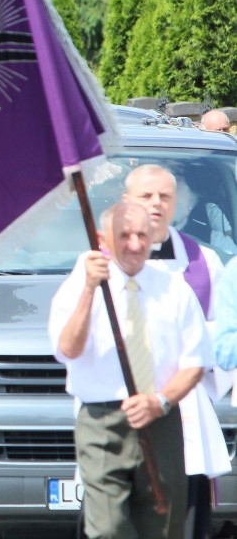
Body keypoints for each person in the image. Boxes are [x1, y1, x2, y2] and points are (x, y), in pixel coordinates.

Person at [49, 201, 212, 539]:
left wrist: (161, 401)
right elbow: (68, 349)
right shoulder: (80, 286)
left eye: (142, 235)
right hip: (103, 422)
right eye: (124, 235)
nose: (135, 244)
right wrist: (89, 291)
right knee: (108, 529)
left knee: (163, 528)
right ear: (102, 238)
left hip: (160, 419)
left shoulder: (174, 289)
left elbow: (195, 362)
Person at [120, 165, 230, 539]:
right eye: (145, 196)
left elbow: (224, 339)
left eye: (164, 197)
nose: (155, 204)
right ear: (125, 203)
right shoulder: (98, 265)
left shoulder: (204, 263)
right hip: (121, 418)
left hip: (184, 417)